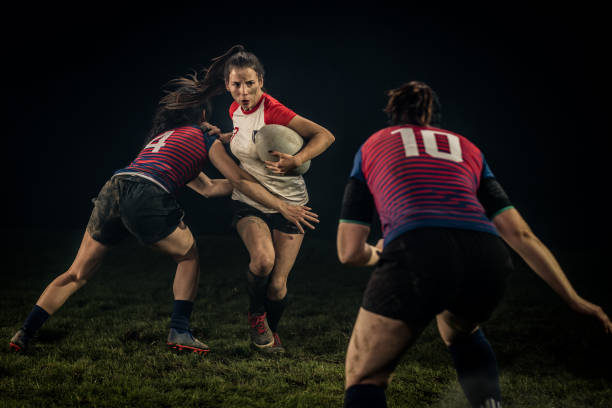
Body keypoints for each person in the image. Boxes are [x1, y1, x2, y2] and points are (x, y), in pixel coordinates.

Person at [9, 46, 318, 355]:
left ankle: (25, 332)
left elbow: (209, 187)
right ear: (201, 116)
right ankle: (180, 331)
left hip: (114, 187)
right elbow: (236, 180)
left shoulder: (160, 140)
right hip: (146, 194)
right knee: (189, 256)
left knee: (76, 274)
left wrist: (256, 184)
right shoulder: (203, 136)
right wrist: (278, 201)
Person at [336, 81, 612, 407]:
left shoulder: (373, 145)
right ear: (432, 116)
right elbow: (520, 235)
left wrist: (378, 254)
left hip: (418, 248)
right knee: (459, 331)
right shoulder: (467, 148)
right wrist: (574, 299)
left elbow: (350, 252)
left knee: (365, 375)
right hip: (486, 256)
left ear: (392, 114)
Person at [207, 46, 335, 353]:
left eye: (250, 83)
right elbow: (244, 136)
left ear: (261, 81)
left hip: (292, 203)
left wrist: (297, 159)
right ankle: (256, 317)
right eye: (236, 84)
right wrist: (223, 136)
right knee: (263, 260)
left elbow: (325, 136)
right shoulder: (234, 110)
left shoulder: (274, 110)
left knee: (278, 286)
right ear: (228, 85)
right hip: (250, 198)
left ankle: (270, 332)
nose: (243, 91)